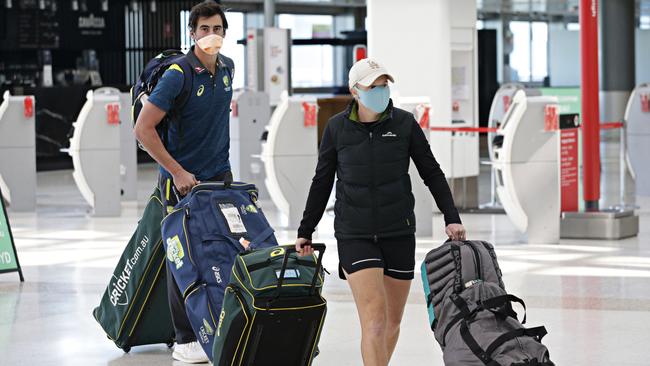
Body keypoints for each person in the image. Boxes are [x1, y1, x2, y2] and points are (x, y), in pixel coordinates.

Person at [295, 58, 466, 366]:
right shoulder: (337, 129)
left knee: (391, 323)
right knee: (373, 321)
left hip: (398, 230)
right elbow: (322, 181)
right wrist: (305, 230)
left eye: (384, 85)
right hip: (355, 233)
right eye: (373, 86)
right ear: (355, 91)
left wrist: (451, 216)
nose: (380, 91)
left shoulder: (403, 123)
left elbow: (432, 172)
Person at [134, 1, 234, 363]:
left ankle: (218, 323)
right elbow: (143, 129)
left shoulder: (227, 69)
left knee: (223, 250)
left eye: (217, 29)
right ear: (192, 33)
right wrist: (176, 171)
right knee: (184, 257)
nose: (211, 35)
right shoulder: (178, 73)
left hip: (220, 177)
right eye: (204, 29)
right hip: (183, 183)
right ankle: (185, 337)